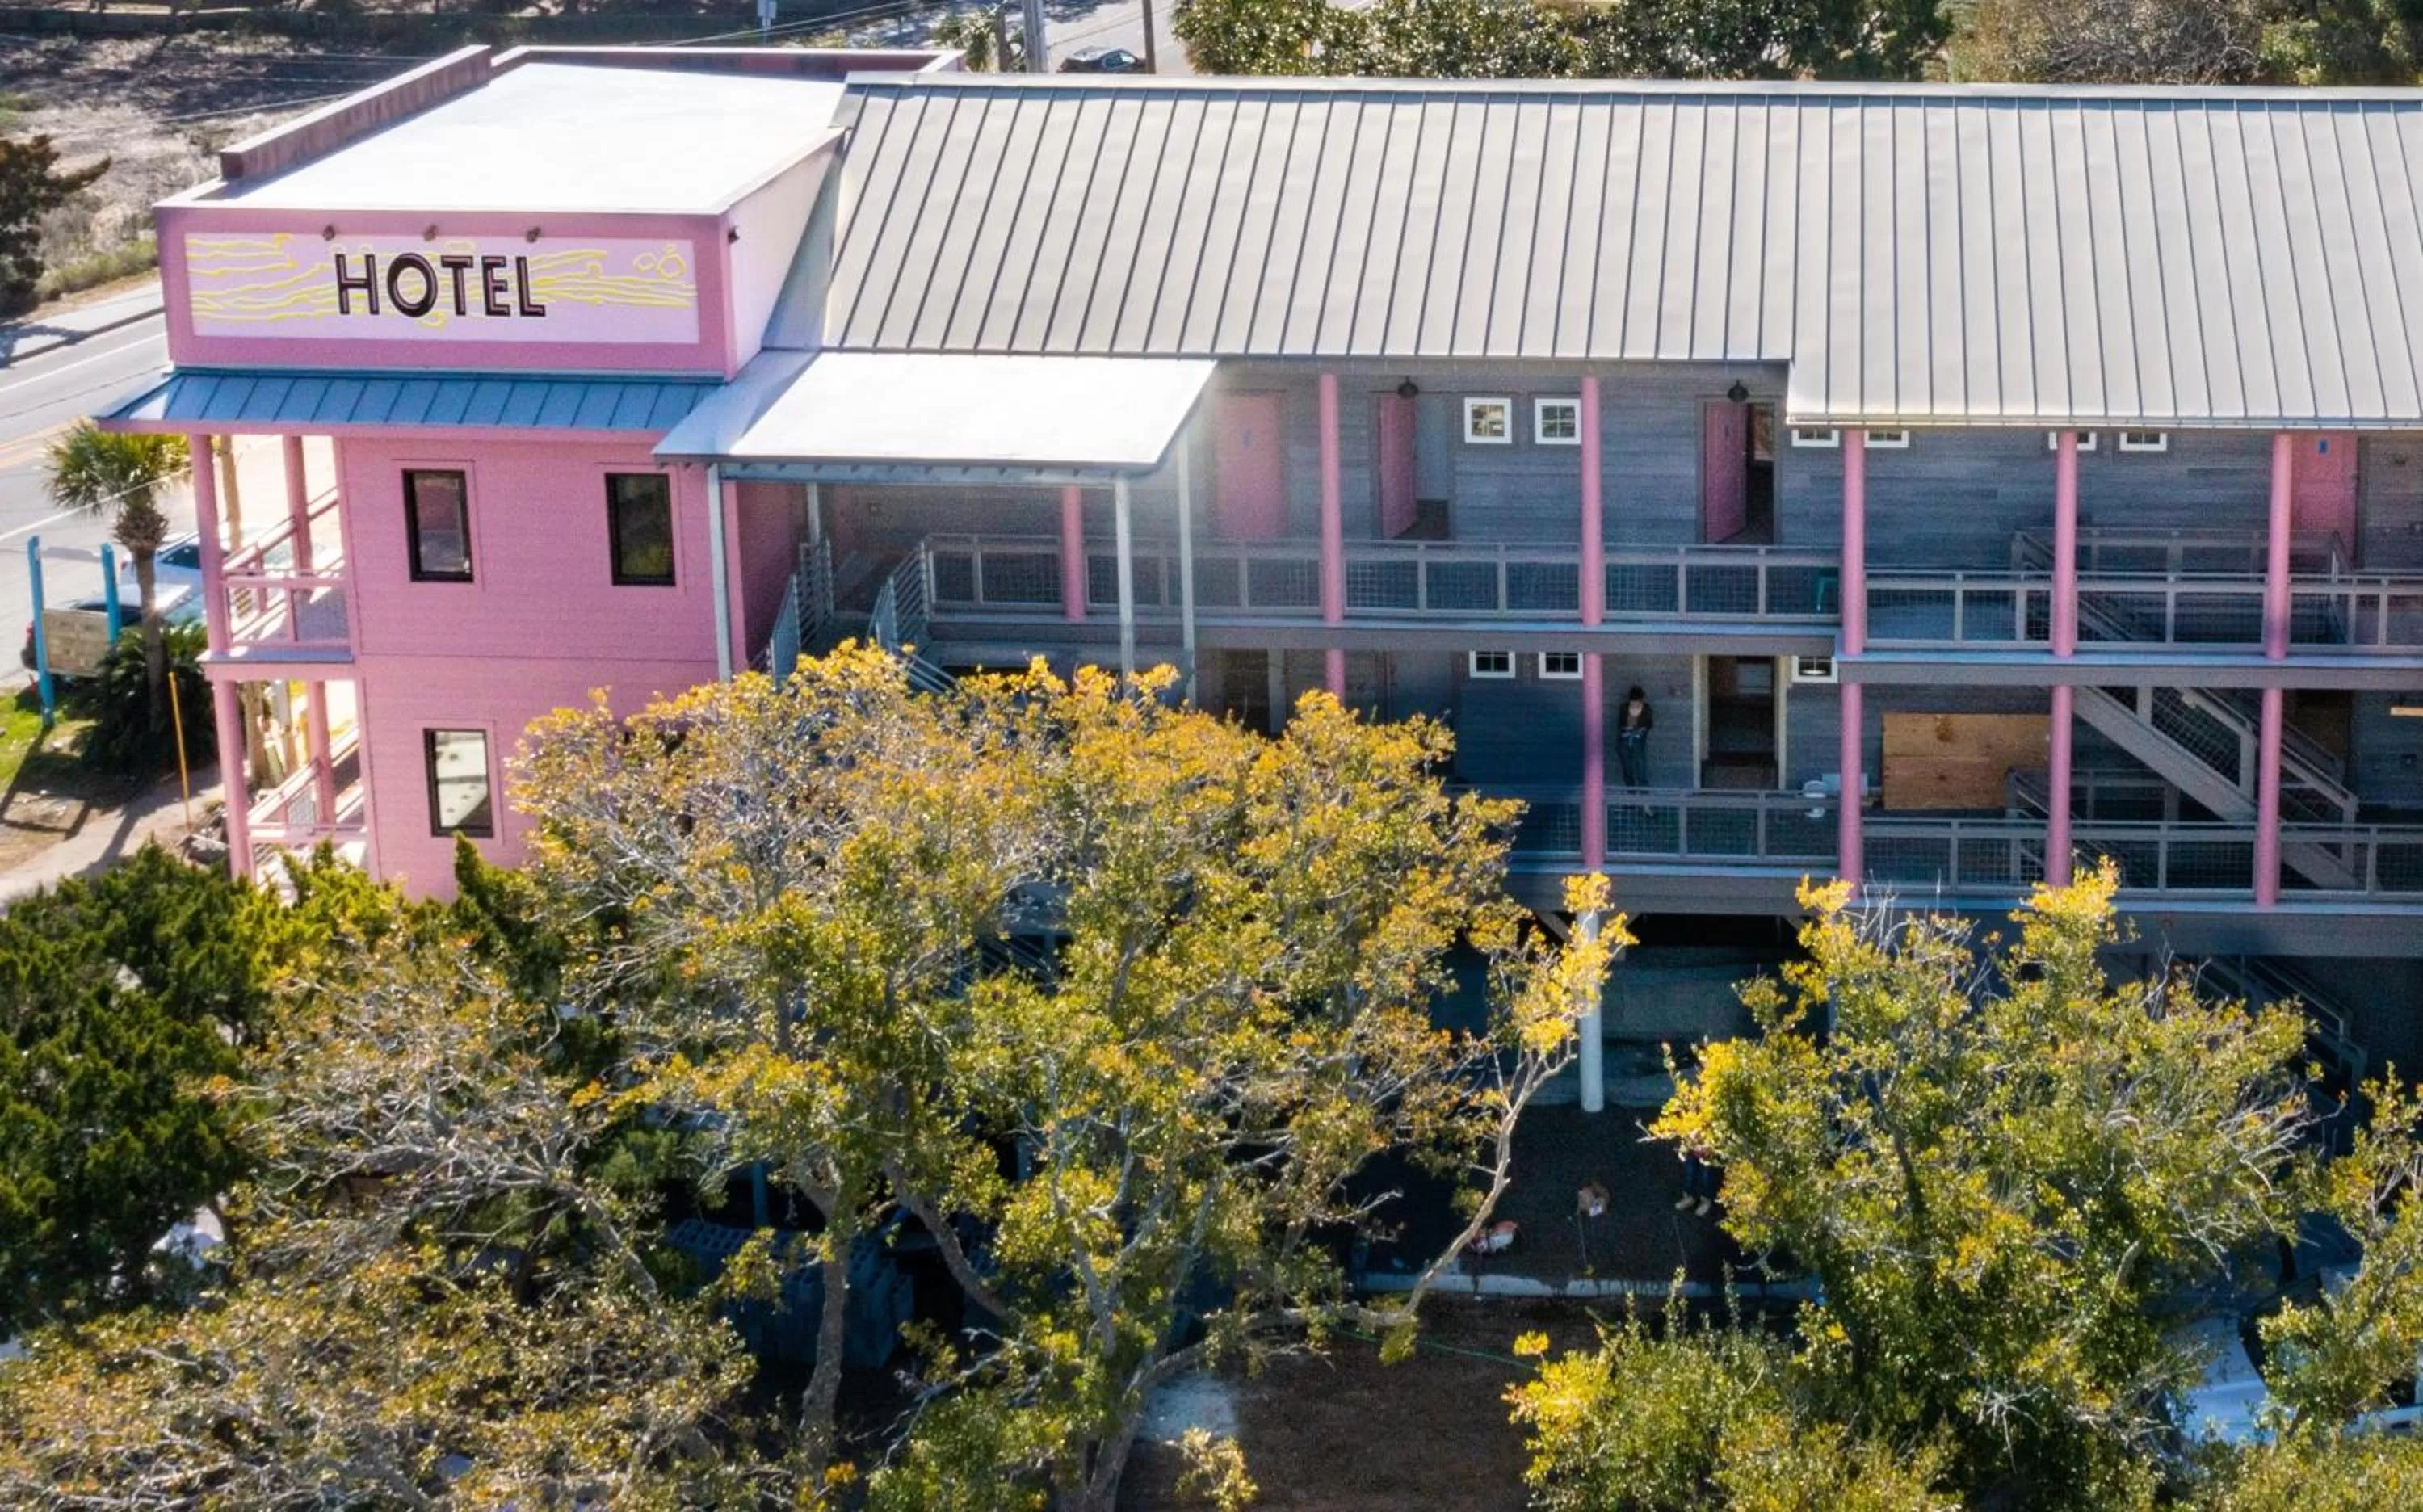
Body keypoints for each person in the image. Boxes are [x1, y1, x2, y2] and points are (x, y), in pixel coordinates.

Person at [1617, 685, 1653, 790]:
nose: (1635, 705)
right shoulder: (1624, 708)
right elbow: (1619, 724)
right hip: (1625, 741)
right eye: (1633, 703)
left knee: (1641, 769)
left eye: (1637, 703)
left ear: (1642, 700)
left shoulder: (1646, 709)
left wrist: (1640, 729)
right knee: (1627, 771)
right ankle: (1631, 800)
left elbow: (1649, 724)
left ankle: (1644, 799)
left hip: (1638, 741)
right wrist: (1627, 728)